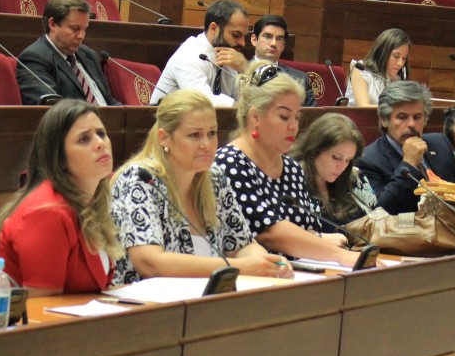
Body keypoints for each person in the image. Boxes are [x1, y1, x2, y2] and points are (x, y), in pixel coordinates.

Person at [110, 89, 293, 284]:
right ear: (164, 138)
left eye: (212, 133)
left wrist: (268, 262)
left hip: (203, 304)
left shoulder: (214, 178)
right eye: (194, 135)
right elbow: (149, 263)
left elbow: (242, 245)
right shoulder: (140, 179)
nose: (207, 144)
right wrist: (238, 267)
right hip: (143, 307)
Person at [214, 63, 361, 268]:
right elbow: (270, 233)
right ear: (255, 117)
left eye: (297, 117)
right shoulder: (228, 163)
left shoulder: (291, 168)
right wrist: (340, 256)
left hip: (298, 273)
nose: (293, 126)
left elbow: (306, 228)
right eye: (284, 116)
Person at [0, 100, 123, 295]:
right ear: (59, 158)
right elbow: (40, 309)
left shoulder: (94, 200)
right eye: (84, 139)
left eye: (101, 134)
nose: (100, 143)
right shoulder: (47, 214)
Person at [356, 81, 455, 214]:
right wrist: (408, 164)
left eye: (417, 117)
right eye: (402, 117)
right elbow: (379, 211)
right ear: (384, 120)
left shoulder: (439, 143)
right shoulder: (368, 160)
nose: (411, 124)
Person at [16, 0, 119, 107]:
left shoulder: (89, 55)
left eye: (84, 29)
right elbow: (53, 109)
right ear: (53, 24)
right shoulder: (34, 58)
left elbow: (110, 101)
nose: (81, 36)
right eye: (75, 29)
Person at [150, 0, 250, 108]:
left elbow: (248, 98)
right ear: (213, 29)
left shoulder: (229, 55)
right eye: (236, 35)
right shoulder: (189, 55)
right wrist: (246, 109)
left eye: (244, 36)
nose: (243, 43)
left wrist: (245, 68)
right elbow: (202, 102)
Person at [290, 113, 376, 230]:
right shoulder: (291, 179)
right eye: (336, 157)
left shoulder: (354, 177)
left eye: (348, 160)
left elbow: (377, 220)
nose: (342, 167)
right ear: (315, 150)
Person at [249, 15, 315, 107]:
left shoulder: (300, 79)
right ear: (254, 40)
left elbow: (312, 117)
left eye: (279, 39)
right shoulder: (238, 71)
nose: (274, 43)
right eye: (268, 36)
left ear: (283, 46)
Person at [348, 28, 410, 107]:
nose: (400, 63)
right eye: (396, 56)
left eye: (404, 58)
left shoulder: (398, 78)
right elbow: (363, 106)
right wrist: (396, 109)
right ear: (383, 52)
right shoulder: (361, 70)